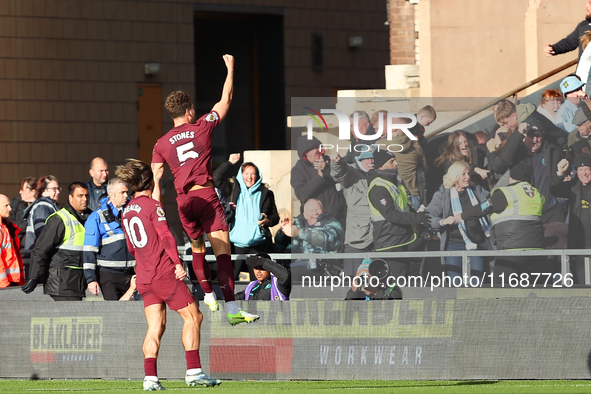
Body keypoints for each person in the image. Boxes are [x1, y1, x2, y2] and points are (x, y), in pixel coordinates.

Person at [151, 55, 258, 325]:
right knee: (223, 252)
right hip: (205, 196)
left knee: (197, 250)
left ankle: (207, 295)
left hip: (184, 201)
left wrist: (158, 212)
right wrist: (231, 69)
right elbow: (226, 101)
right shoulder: (202, 126)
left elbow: (156, 175)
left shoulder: (161, 143)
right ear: (188, 111)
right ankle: (232, 310)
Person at [115, 159, 221, 390]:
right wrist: (177, 263)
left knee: (156, 327)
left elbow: (132, 247)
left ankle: (150, 378)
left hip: (144, 276)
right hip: (162, 272)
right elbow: (166, 236)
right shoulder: (154, 206)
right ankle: (194, 372)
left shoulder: (126, 211)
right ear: (150, 182)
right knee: (194, 317)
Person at [461, 162, 544, 284]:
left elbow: (482, 208)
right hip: (537, 251)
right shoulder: (537, 194)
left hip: (511, 250)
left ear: (511, 177)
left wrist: (462, 216)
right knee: (532, 292)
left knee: (501, 290)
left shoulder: (506, 193)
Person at [213, 154, 279, 280]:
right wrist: (229, 162)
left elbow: (275, 217)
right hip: (235, 246)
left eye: (253, 174)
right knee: (230, 279)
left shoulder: (266, 193)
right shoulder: (232, 189)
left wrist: (267, 221)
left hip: (258, 245)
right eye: (246, 173)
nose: (249, 177)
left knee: (258, 281)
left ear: (257, 176)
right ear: (240, 175)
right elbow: (216, 178)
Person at [21, 182, 91, 300]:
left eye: (86, 195)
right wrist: (33, 277)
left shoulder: (89, 218)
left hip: (77, 282)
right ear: (70, 198)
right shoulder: (59, 219)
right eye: (80, 195)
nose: (84, 199)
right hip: (61, 282)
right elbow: (40, 250)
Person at [366, 150, 430, 279]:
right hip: (389, 243)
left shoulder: (394, 182)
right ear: (381, 166)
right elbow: (391, 215)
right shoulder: (378, 187)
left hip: (401, 240)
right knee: (396, 282)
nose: (396, 163)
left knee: (403, 278)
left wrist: (421, 219)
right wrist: (417, 218)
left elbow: (404, 208)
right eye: (391, 161)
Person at [427, 161, 491, 282]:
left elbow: (489, 204)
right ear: (455, 176)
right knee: (454, 284)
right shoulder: (442, 195)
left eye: (468, 173)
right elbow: (428, 216)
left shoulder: (477, 190)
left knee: (476, 283)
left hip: (477, 243)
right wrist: (442, 221)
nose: (467, 177)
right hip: (454, 244)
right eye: (463, 174)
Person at [83, 178, 136, 300]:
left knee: (133, 314)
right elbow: (89, 250)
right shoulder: (97, 216)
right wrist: (91, 279)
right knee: (114, 312)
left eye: (126, 192)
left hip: (131, 272)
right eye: (122, 192)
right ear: (111, 194)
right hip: (108, 274)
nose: (126, 195)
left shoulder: (132, 213)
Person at [330, 148, 374, 277]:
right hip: (357, 238)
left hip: (379, 238)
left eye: (373, 158)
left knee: (379, 284)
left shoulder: (382, 172)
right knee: (353, 283)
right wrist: (337, 163)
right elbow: (340, 174)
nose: (371, 161)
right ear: (359, 160)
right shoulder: (352, 173)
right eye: (366, 158)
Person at [551, 154, 591, 283]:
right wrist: (560, 174)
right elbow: (554, 190)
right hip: (579, 245)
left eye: (587, 169)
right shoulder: (572, 186)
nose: (584, 173)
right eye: (580, 169)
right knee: (583, 283)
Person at [291, 135, 346, 219]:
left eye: (321, 150)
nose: (321, 154)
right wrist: (320, 175)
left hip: (336, 216)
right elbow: (302, 194)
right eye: (317, 152)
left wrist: (336, 165)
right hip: (314, 219)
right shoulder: (298, 170)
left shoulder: (327, 161)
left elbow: (341, 177)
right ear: (305, 154)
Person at [290, 198, 344, 278]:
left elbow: (327, 239)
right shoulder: (299, 225)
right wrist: (283, 233)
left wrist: (300, 232)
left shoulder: (333, 224)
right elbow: (283, 245)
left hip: (324, 268)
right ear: (305, 215)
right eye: (311, 211)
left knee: (291, 275)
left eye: (317, 209)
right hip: (298, 265)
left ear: (324, 210)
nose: (315, 213)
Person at [386, 117, 429, 210]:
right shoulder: (416, 145)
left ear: (394, 129)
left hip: (394, 192)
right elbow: (425, 168)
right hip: (414, 192)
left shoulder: (386, 145)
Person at [23, 175, 60, 250]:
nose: (58, 192)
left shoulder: (48, 206)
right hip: (40, 255)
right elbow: (42, 234)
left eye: (58, 189)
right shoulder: (42, 206)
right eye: (54, 189)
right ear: (43, 191)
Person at [0, 194, 25, 287]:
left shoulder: (5, 226)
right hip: (4, 284)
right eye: (6, 206)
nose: (10, 208)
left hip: (9, 281)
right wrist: (4, 285)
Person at [9, 177, 37, 242]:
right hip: (18, 242)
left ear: (33, 192)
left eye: (22, 189)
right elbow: (9, 221)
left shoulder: (41, 205)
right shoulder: (15, 202)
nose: (20, 192)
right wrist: (27, 226)